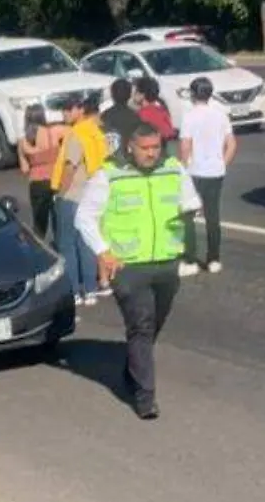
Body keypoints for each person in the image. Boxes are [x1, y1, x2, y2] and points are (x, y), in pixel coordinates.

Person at [75, 123, 202, 420]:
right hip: (128, 265)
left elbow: (190, 200)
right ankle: (146, 398)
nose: (151, 153)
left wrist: (193, 212)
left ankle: (133, 371)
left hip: (166, 262)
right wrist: (103, 252)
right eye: (145, 148)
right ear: (131, 147)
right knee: (141, 326)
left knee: (153, 325)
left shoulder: (173, 169)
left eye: (156, 147)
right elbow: (85, 218)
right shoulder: (110, 175)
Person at [51, 92, 109, 306]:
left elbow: (69, 166)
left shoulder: (76, 134)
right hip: (93, 192)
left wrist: (60, 193)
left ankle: (75, 290)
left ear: (80, 110)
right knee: (86, 242)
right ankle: (91, 290)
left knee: (67, 243)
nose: (64, 113)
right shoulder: (96, 132)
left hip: (73, 194)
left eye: (68, 108)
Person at [178, 77, 236, 276]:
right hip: (215, 171)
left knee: (188, 215)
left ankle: (190, 260)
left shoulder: (189, 116)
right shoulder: (220, 115)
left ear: (194, 94)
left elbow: (186, 145)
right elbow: (232, 144)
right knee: (213, 216)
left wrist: (184, 167)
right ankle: (213, 259)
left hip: (195, 171)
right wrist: (222, 163)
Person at [18, 103, 65, 239]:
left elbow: (25, 169)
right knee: (58, 220)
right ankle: (60, 248)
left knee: (39, 224)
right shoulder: (55, 132)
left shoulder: (23, 142)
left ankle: (39, 250)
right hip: (56, 180)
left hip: (37, 184)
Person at [100, 78, 144, 156]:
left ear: (112, 94)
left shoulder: (105, 116)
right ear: (130, 95)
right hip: (129, 157)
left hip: (111, 156)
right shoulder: (135, 116)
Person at [133, 77, 176, 145]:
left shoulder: (141, 115)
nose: (133, 95)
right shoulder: (162, 110)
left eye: (136, 92)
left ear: (142, 95)